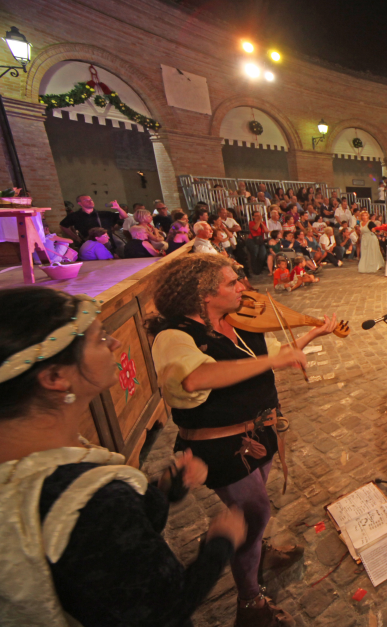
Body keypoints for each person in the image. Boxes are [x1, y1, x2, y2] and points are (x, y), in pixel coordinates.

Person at [0, 288, 248, 627]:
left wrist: (164, 490)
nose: (115, 343)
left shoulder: (34, 455)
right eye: (99, 338)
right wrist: (220, 542)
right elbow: (161, 611)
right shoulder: (89, 503)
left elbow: (104, 554)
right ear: (55, 377)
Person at [149, 254, 340, 625]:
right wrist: (274, 362)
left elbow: (262, 360)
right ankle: (251, 603)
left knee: (255, 515)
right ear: (203, 295)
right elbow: (195, 379)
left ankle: (258, 551)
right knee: (255, 513)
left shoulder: (239, 319)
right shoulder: (174, 336)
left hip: (260, 435)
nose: (243, 287)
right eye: (231, 283)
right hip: (220, 447)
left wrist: (311, 334)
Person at [59, 195, 127, 246]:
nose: (90, 201)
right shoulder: (75, 215)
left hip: (106, 243)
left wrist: (118, 208)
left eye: (91, 199)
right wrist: (75, 237)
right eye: (86, 200)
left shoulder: (104, 214)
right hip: (88, 244)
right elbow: (63, 226)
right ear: (79, 203)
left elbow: (124, 216)